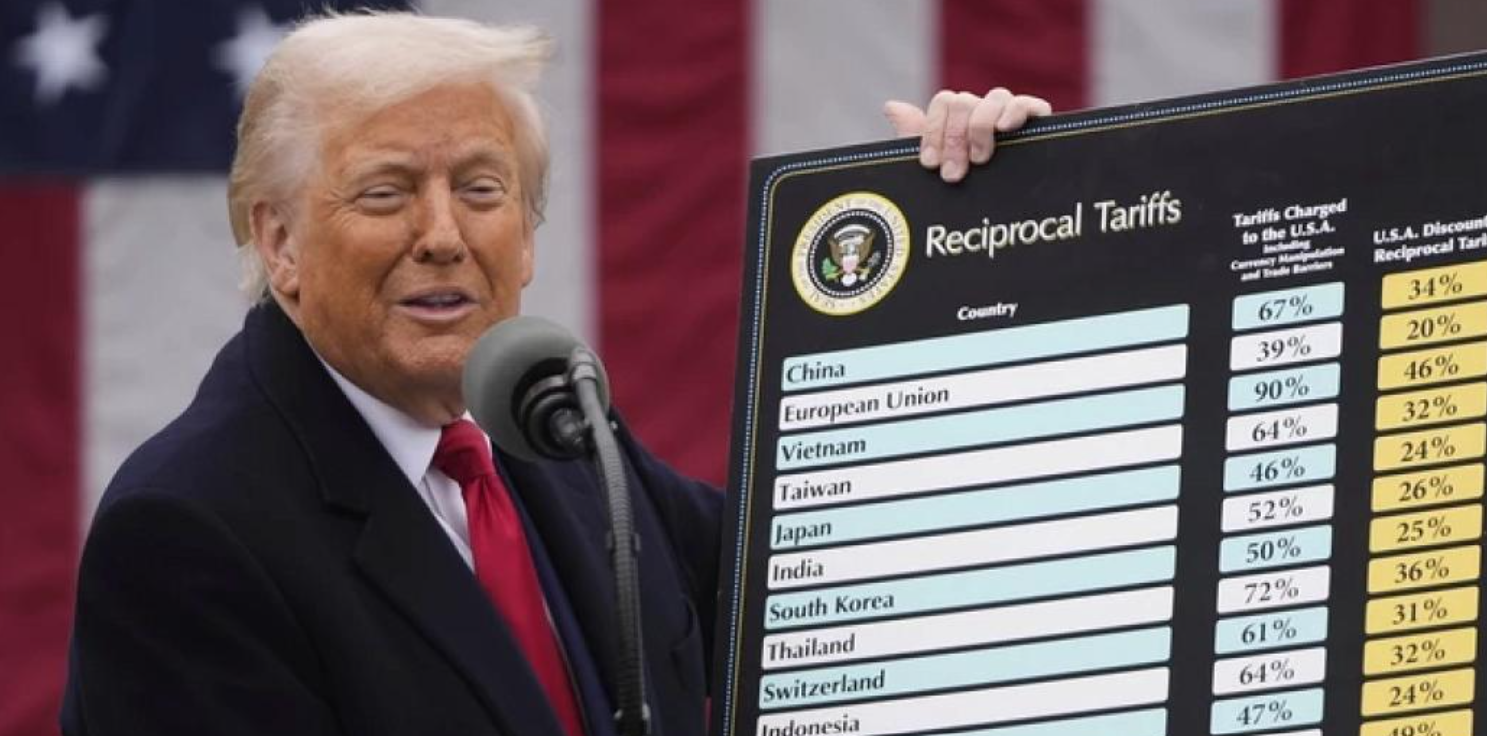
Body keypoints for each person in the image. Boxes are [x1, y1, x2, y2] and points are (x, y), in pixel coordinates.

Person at [60, 12, 1050, 736]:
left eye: (481, 188)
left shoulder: (553, 427)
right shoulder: (186, 532)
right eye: (386, 192)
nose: (442, 235)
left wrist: (966, 240)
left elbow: (834, 587)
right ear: (279, 242)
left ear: (528, 237)